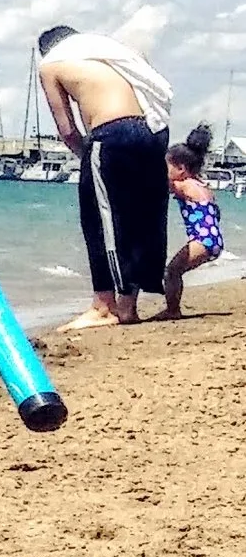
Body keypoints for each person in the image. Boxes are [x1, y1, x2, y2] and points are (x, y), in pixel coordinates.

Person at [36, 24, 175, 330]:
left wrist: (85, 158)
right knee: (141, 220)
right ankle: (128, 306)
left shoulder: (50, 64)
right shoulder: (105, 55)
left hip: (111, 134)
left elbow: (68, 129)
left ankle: (104, 307)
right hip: (150, 133)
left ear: (45, 49)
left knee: (101, 222)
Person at [157, 125, 222, 320]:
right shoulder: (202, 185)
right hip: (213, 239)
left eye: (166, 167)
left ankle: (173, 309)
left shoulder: (182, 185)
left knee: (172, 271)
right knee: (176, 271)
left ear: (181, 169)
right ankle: (173, 308)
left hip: (202, 240)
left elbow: (160, 183)